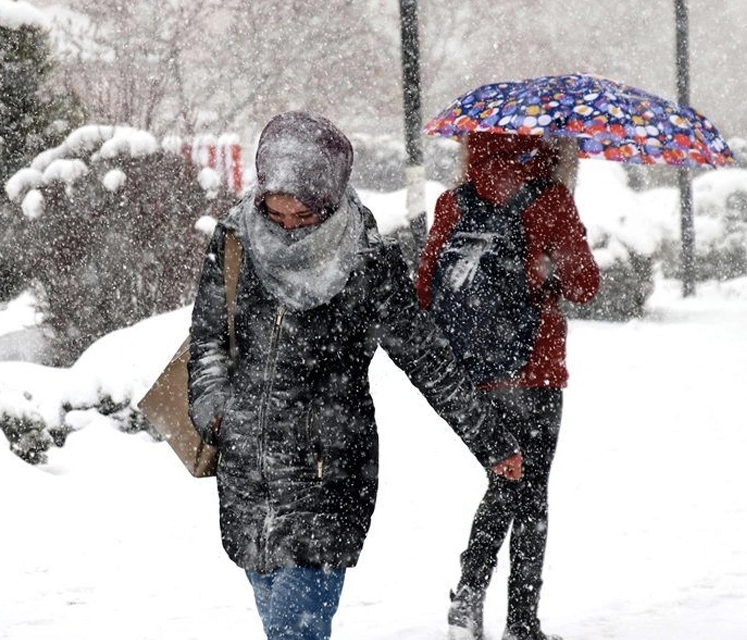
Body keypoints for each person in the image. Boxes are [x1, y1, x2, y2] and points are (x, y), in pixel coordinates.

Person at [187, 112, 523, 640]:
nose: (287, 229)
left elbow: (426, 356)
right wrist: (216, 413)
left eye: (302, 217)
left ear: (328, 201)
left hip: (327, 473)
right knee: (282, 627)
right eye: (276, 214)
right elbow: (208, 338)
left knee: (296, 632)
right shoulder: (236, 239)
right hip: (248, 477)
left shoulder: (365, 259)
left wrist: (489, 440)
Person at [416, 131, 600, 640]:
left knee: (504, 479)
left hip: (477, 375)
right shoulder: (550, 198)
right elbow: (586, 284)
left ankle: (469, 596)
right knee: (528, 492)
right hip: (534, 370)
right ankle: (520, 621)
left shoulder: (453, 202)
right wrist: (551, 262)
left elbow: (425, 287)